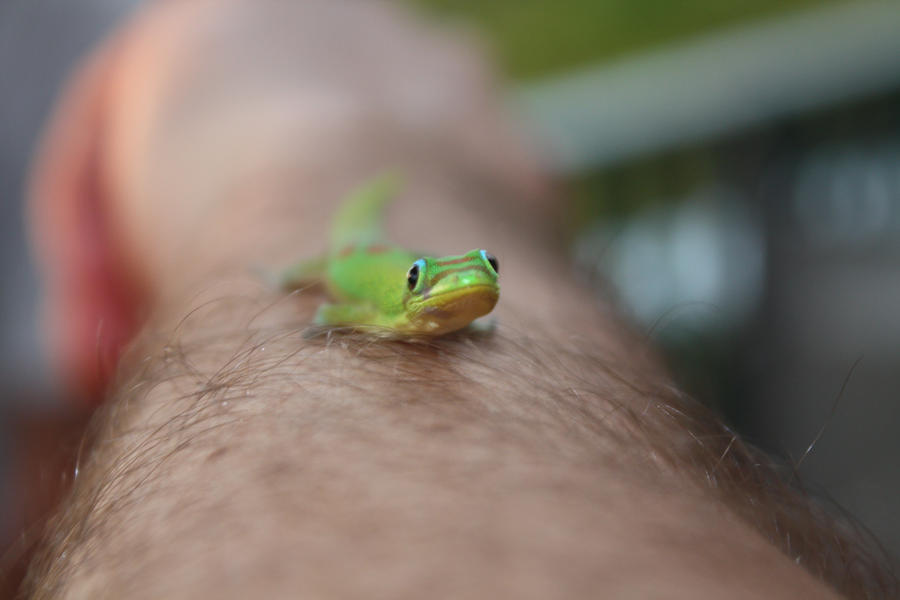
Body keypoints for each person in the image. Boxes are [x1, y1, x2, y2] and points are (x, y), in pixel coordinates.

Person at [24, 1, 894, 597]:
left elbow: (470, 298)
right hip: (354, 257)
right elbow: (332, 315)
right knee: (316, 266)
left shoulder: (461, 304)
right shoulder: (380, 303)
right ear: (412, 293)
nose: (473, 285)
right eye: (444, 280)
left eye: (482, 272)